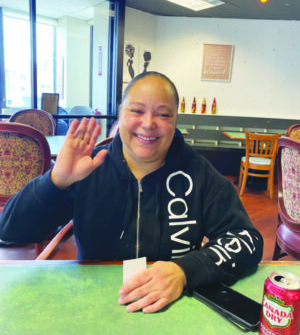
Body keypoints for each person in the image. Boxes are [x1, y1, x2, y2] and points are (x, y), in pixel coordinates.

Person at [0, 71, 263, 314]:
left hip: (173, 306)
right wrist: (56, 181)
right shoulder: (89, 168)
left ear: (175, 122)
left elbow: (247, 240)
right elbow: (10, 231)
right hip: (94, 303)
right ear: (120, 115)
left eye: (163, 114)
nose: (148, 124)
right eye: (137, 110)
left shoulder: (198, 171)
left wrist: (185, 270)